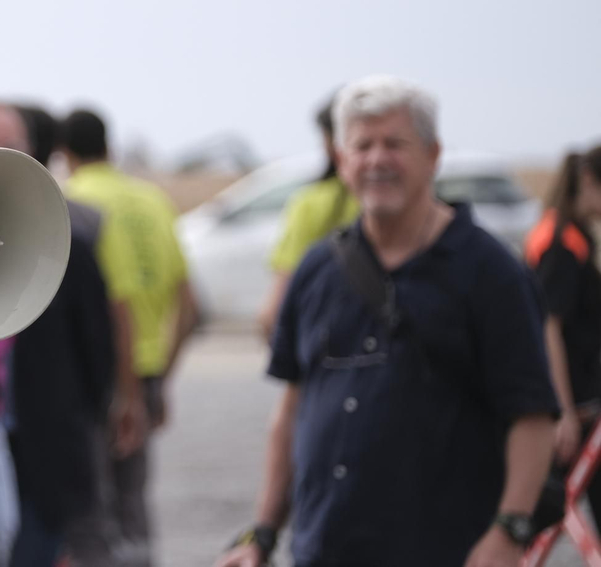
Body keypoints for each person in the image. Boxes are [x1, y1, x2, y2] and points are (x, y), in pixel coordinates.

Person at [217, 76, 557, 567]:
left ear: (433, 155)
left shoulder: (490, 271)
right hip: (323, 552)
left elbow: (533, 415)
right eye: (363, 146)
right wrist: (263, 535)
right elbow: (292, 412)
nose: (377, 159)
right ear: (341, 161)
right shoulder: (317, 269)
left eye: (395, 144)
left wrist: (509, 530)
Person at [0, 101, 120, 567]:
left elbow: (97, 352)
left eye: (13, 148)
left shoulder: (69, 244)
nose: (2, 161)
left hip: (43, 448)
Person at [60, 107, 199, 567]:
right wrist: (159, 377)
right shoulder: (152, 200)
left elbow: (114, 306)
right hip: (148, 370)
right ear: (109, 146)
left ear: (65, 154)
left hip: (99, 380)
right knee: (133, 506)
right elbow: (188, 305)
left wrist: (127, 392)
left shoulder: (72, 202)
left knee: (91, 512)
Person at [529, 147, 601, 504]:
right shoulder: (560, 244)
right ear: (588, 181)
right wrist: (565, 412)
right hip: (573, 410)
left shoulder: (577, 236)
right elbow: (549, 328)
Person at [256, 99, 361, 341]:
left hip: (325, 343)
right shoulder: (405, 204)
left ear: (332, 144)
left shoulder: (311, 203)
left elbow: (273, 313)